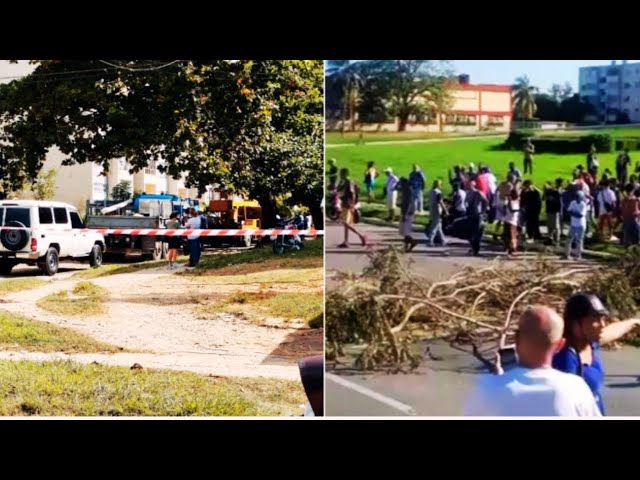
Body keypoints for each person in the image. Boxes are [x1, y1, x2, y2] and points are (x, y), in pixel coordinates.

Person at [463, 305, 601, 417]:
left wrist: (500, 379)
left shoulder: (487, 389)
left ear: (517, 339)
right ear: (560, 345)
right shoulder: (576, 388)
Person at [553, 292, 640, 415]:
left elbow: (611, 332)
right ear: (575, 324)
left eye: (602, 318)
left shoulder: (589, 343)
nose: (602, 325)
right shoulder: (566, 360)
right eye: (595, 320)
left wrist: (633, 323)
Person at [336, 168, 368, 248]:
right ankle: (346, 241)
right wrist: (340, 183)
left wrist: (352, 205)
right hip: (344, 204)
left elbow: (352, 193)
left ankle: (361, 236)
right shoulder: (343, 182)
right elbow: (338, 190)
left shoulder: (349, 182)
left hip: (348, 205)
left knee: (346, 223)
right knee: (346, 224)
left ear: (346, 174)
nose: (340, 175)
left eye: (342, 174)